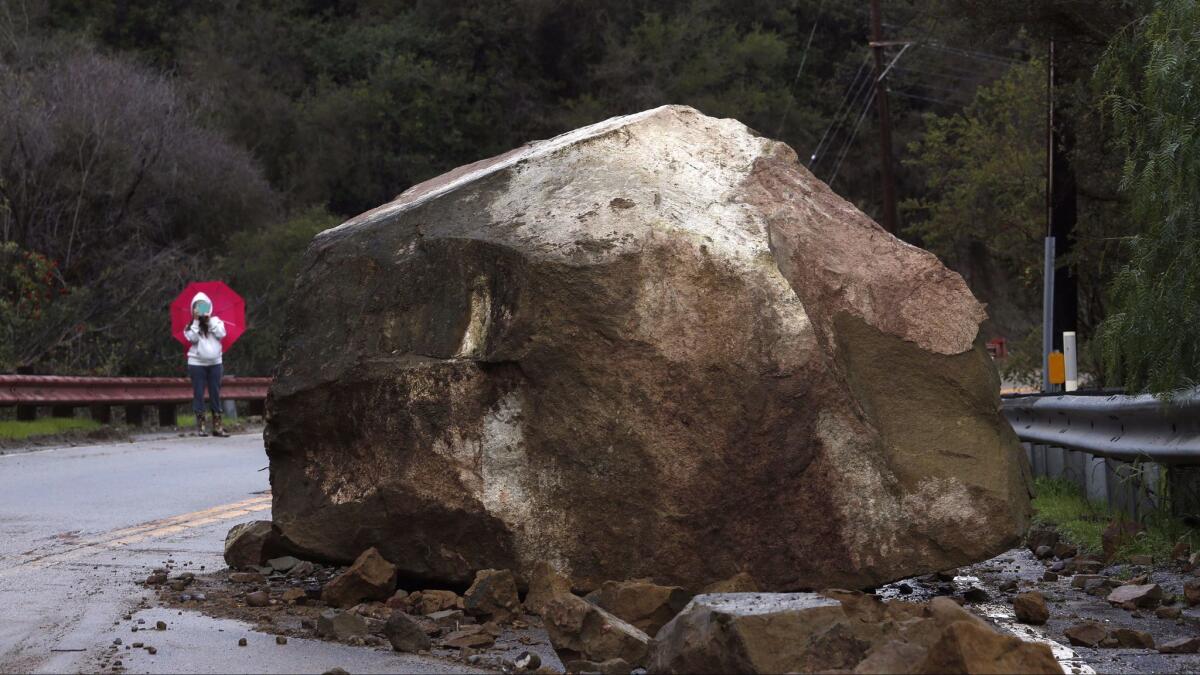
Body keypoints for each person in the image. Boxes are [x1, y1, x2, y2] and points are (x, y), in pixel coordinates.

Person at [183, 291, 230, 437]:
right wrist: (197, 321)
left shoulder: (216, 321)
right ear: (193, 308)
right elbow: (192, 339)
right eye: (198, 307)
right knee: (198, 393)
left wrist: (209, 320)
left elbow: (222, 334)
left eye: (204, 306)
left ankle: (217, 426)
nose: (201, 309)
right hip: (196, 363)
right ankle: (201, 426)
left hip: (215, 362)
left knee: (215, 393)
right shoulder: (190, 326)